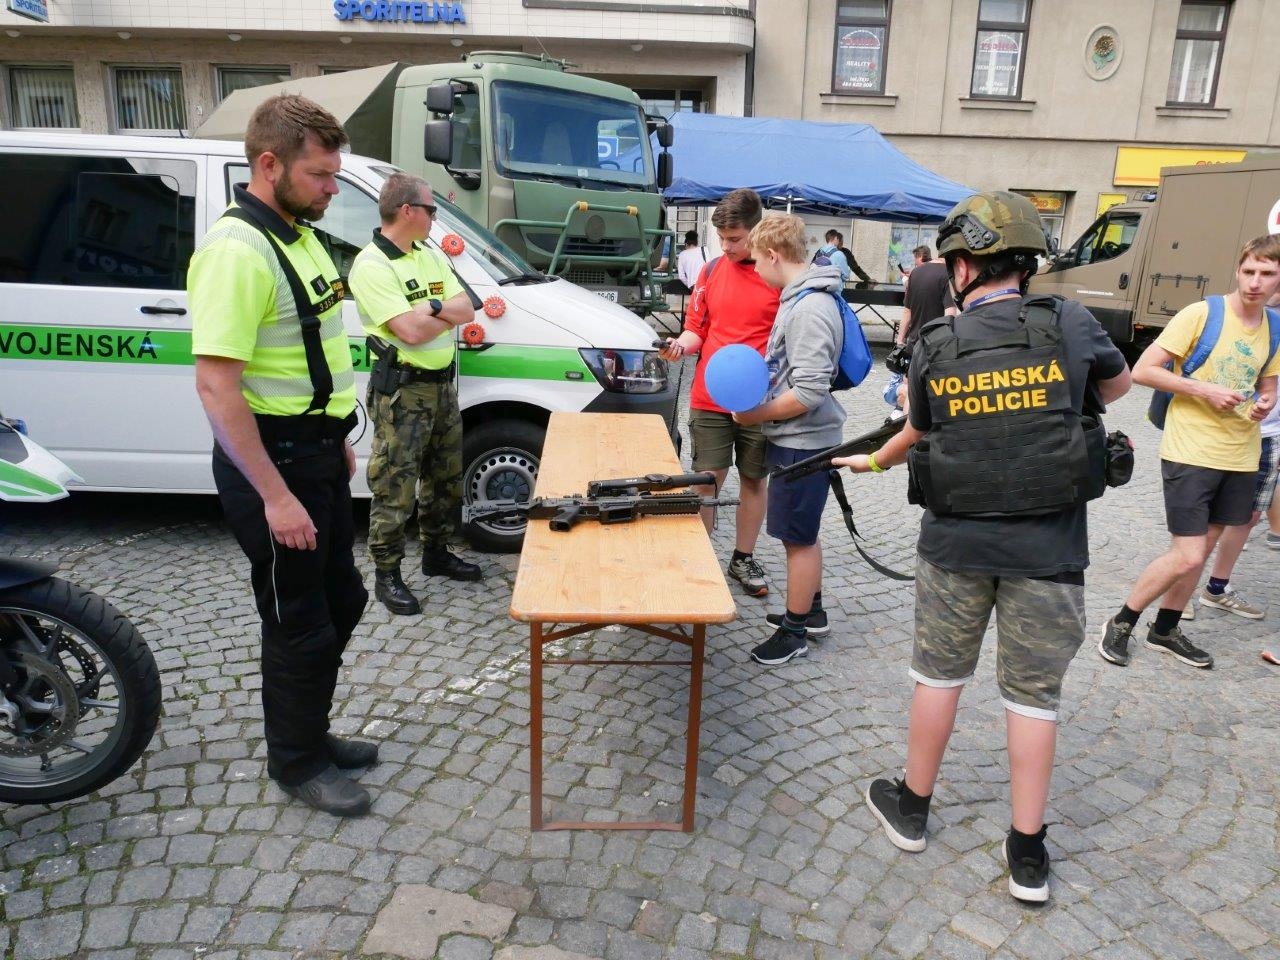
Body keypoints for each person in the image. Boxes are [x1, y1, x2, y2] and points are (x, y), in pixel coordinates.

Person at [835, 191, 1130, 902]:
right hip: (1050, 550)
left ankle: (911, 809)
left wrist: (872, 461)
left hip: (955, 546)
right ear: (1025, 263)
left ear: (964, 266)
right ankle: (1027, 853)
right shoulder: (1070, 321)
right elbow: (1117, 388)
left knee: (938, 677)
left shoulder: (935, 343)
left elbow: (918, 429)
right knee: (1033, 698)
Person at [190, 94, 374, 818]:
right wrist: (275, 495)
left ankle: (311, 733)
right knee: (299, 620)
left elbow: (307, 350)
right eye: (320, 175)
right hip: (275, 466)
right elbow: (217, 386)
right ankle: (296, 762)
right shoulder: (236, 252)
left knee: (342, 600)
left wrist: (336, 441)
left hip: (317, 453)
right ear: (269, 165)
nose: (332, 188)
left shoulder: (297, 234)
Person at [1099, 235, 1280, 670]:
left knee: (1207, 544)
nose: (1255, 282)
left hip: (1241, 453)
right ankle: (1121, 622)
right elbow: (1143, 370)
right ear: (1237, 270)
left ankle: (1165, 629)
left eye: (1267, 273)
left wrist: (1265, 402)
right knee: (1189, 553)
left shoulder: (1274, 327)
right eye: (1249, 271)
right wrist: (1204, 390)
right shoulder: (1202, 314)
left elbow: (1268, 383)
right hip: (1192, 449)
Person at [348, 172, 482, 617]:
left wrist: (435, 308)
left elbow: (468, 307)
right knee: (396, 485)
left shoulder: (427, 254)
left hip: (441, 386)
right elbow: (408, 332)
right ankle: (387, 573)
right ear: (407, 210)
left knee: (445, 477)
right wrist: (437, 317)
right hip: (404, 391)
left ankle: (436, 552)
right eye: (431, 209)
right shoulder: (372, 265)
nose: (435, 218)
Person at [733, 214, 846, 665]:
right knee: (800, 534)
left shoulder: (809, 308)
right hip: (798, 438)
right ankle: (810, 613)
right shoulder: (800, 298)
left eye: (757, 261)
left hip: (804, 441)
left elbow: (810, 391)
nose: (756, 270)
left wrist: (755, 415)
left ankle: (795, 631)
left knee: (798, 539)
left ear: (773, 255)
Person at [659, 188, 778, 597]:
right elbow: (696, 329)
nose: (726, 247)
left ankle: (742, 557)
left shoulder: (776, 274)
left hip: (759, 401)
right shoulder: (710, 272)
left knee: (754, 480)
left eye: (734, 239)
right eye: (721, 238)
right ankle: (700, 562)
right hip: (709, 397)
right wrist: (680, 345)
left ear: (757, 231)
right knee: (706, 480)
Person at [1181, 288, 1280, 620]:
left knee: (1248, 517)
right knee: (1202, 521)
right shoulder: (1247, 313)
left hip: (1270, 436)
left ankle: (1216, 587)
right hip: (1225, 432)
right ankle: (1178, 594)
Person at [886, 247, 956, 410]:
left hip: (914, 343)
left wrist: (900, 340)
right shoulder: (948, 275)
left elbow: (907, 311)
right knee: (933, 394)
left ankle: (906, 420)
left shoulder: (916, 273)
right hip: (936, 346)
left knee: (911, 391)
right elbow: (950, 313)